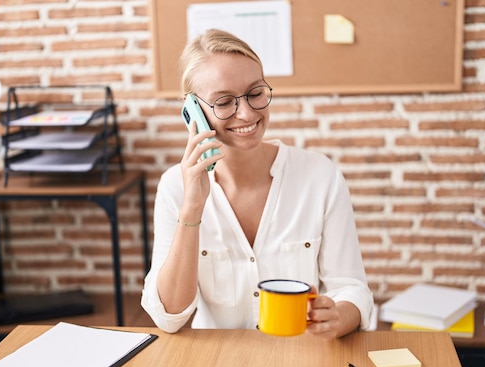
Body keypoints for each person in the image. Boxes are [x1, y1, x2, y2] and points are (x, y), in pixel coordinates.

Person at [141, 29, 373, 340]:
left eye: (255, 93)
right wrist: (193, 208)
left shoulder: (320, 176)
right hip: (218, 364)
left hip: (300, 358)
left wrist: (339, 315)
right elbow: (168, 317)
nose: (247, 113)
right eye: (223, 102)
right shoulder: (175, 187)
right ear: (193, 110)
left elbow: (351, 287)